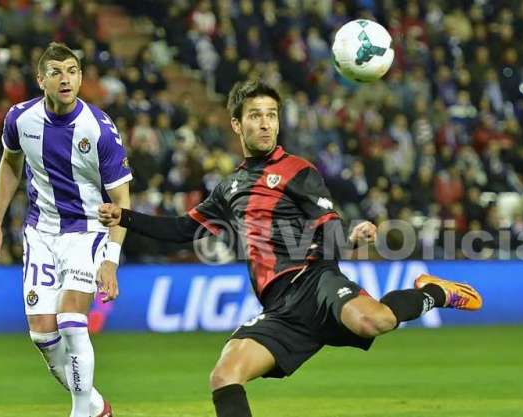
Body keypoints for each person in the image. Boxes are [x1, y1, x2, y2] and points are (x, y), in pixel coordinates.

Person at [97, 79, 482, 417]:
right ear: (237, 123)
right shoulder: (228, 189)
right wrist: (124, 217)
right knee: (224, 375)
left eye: (271, 115)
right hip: (280, 307)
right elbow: (183, 229)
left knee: (374, 321)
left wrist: (345, 239)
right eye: (255, 115)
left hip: (314, 279)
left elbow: (327, 222)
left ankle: (434, 291)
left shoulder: (298, 170)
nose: (265, 123)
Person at [0, 42, 131, 417]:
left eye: (73, 71)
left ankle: (81, 412)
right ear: (40, 80)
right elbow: (11, 164)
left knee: (72, 324)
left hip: (86, 232)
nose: (66, 79)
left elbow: (122, 200)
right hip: (41, 234)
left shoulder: (99, 130)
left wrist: (110, 260)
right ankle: (96, 406)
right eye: (57, 72)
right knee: (44, 336)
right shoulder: (19, 119)